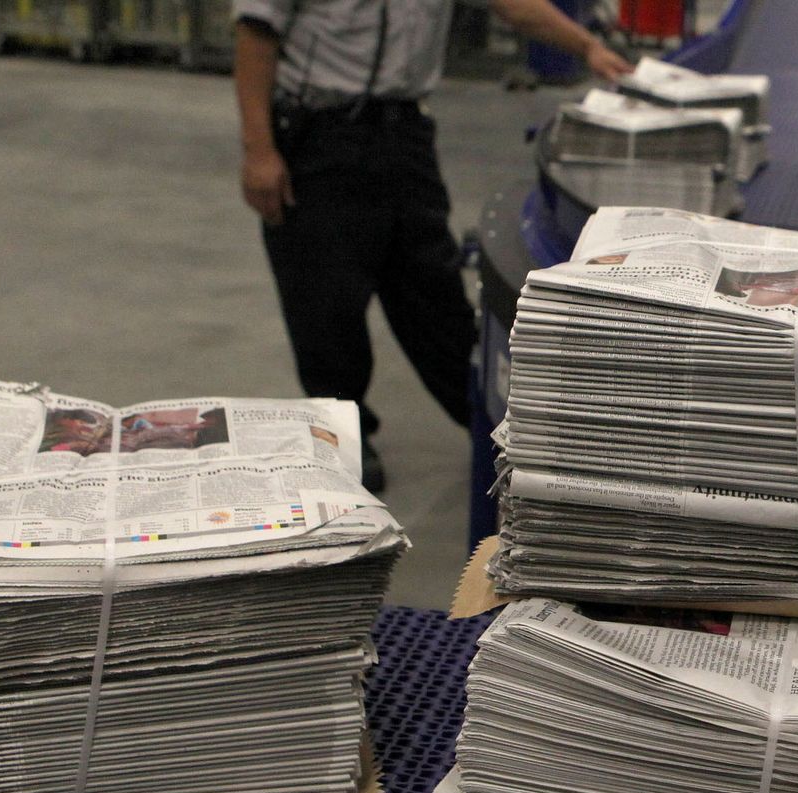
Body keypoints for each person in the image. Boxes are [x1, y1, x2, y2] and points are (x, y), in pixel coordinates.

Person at [232, 0, 631, 492]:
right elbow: (256, 36)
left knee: (433, 288)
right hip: (318, 132)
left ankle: (492, 421)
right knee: (325, 298)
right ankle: (340, 429)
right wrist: (259, 150)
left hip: (403, 133)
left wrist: (587, 45)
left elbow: (512, 5)